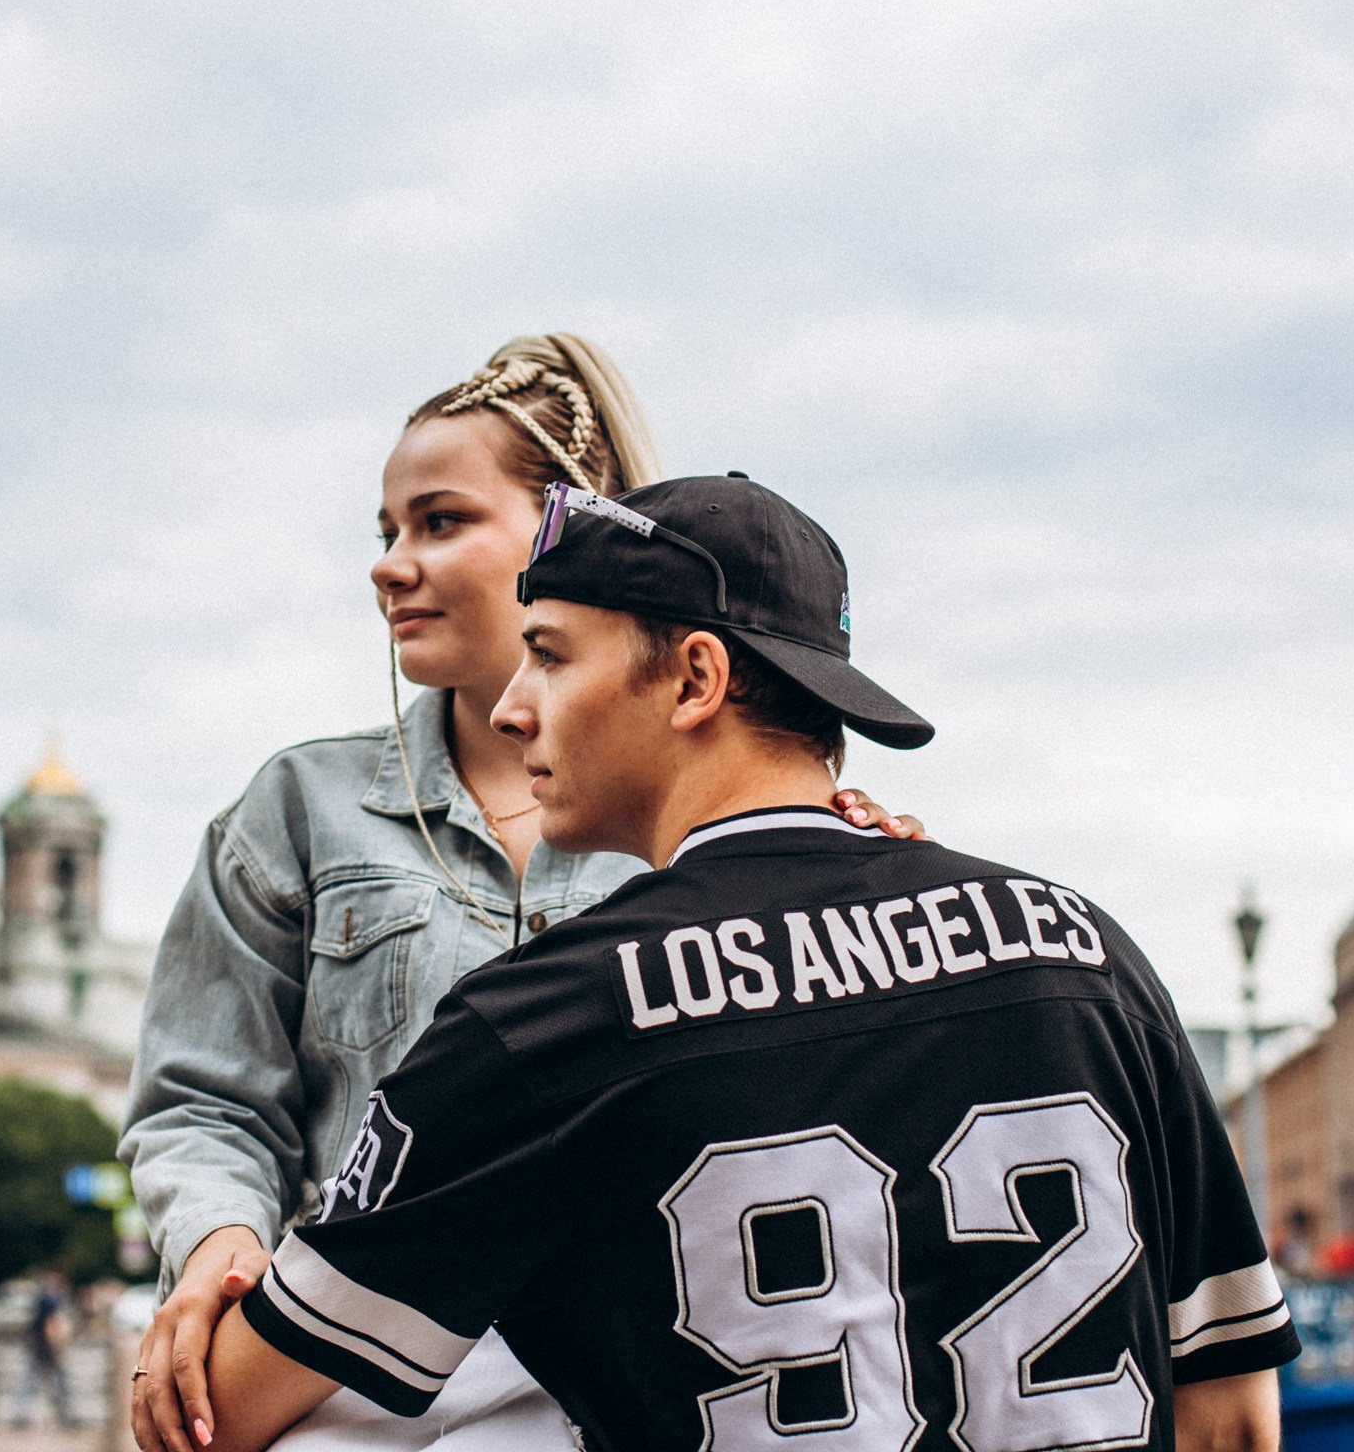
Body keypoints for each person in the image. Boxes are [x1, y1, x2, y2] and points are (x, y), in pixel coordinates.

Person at [184, 474, 1298, 1452]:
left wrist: (215, 1271)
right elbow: (1234, 1415)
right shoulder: (1086, 954)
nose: (513, 708)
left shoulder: (542, 1018)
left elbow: (223, 1410)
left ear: (695, 679)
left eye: (550, 654)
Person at [123, 339, 926, 1452]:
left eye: (440, 522)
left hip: (647, 1391)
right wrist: (220, 1243)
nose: (391, 565)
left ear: (567, 534)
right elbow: (202, 1100)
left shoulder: (712, 821)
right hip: (355, 1390)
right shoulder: (299, 807)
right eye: (387, 532)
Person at [12, 1268, 80, 1429]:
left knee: (32, 1379)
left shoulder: (42, 1297)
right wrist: (56, 1346)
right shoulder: (50, 1299)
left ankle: (20, 1414)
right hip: (45, 1345)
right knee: (56, 1380)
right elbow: (51, 1324)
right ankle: (65, 1415)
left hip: (37, 1343)